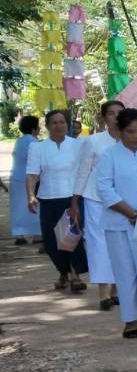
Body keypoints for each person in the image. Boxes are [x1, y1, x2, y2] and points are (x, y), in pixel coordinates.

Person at [95, 109, 137, 338]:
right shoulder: (109, 155)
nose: (135, 136)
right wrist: (131, 213)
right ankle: (130, 320)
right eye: (130, 131)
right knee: (125, 273)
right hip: (118, 223)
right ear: (120, 131)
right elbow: (104, 188)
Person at [27, 109, 87, 291]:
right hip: (48, 199)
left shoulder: (78, 145)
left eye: (62, 122)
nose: (58, 126)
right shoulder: (37, 147)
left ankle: (75, 275)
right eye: (54, 122)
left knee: (72, 238)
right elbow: (32, 174)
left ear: (67, 125)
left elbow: (85, 171)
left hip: (73, 199)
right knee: (52, 241)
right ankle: (63, 272)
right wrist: (31, 195)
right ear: (46, 126)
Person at [71, 99, 122, 310]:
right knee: (98, 244)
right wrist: (75, 200)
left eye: (120, 112)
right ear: (104, 117)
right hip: (95, 199)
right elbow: (82, 171)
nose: (116, 117)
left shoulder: (133, 140)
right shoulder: (93, 142)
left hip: (122, 200)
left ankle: (118, 288)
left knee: (119, 242)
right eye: (111, 113)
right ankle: (103, 292)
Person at [10, 114, 42, 244]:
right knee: (34, 207)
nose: (39, 129)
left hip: (16, 177)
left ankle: (19, 235)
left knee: (17, 208)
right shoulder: (33, 142)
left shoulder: (20, 141)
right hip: (29, 179)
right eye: (38, 127)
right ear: (34, 129)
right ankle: (37, 235)